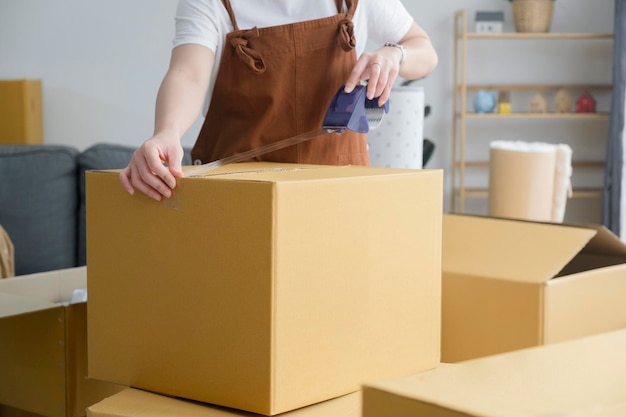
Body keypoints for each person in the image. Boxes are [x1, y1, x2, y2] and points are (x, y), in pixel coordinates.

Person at [120, 0, 438, 201]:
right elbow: (187, 73)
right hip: (241, 202)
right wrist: (167, 132)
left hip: (342, 198)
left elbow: (424, 49)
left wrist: (395, 54)